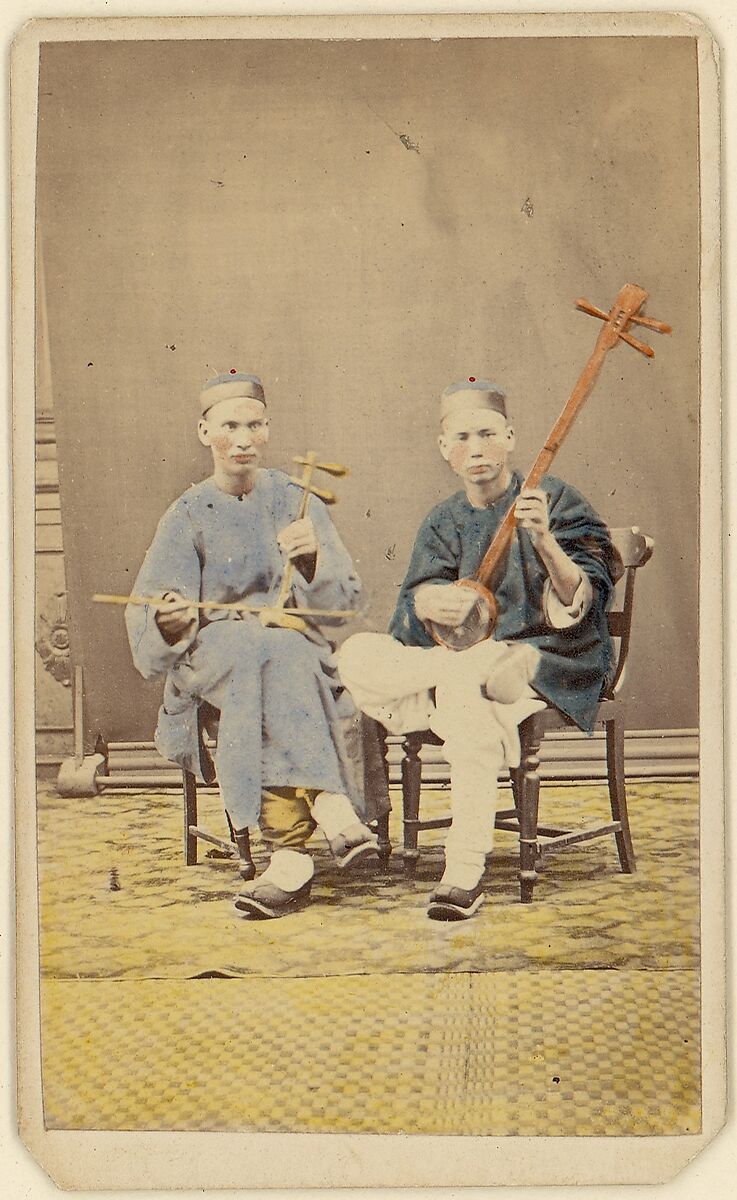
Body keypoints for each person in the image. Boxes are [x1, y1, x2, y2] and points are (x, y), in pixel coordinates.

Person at [337, 378, 622, 921]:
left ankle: (464, 870)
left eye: (488, 435)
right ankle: (477, 669)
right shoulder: (443, 519)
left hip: (550, 656)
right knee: (356, 654)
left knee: (466, 686)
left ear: (511, 437)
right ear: (444, 448)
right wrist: (427, 605)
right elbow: (409, 618)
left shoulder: (555, 499)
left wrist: (544, 541)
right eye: (462, 437)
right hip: (468, 660)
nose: (477, 449)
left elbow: (584, 600)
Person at [126, 371, 378, 920]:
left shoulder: (296, 499)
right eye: (230, 426)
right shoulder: (187, 514)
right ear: (204, 431)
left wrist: (312, 560)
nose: (243, 439)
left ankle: (289, 860)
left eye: (255, 426)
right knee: (267, 656)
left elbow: (344, 600)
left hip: (285, 651)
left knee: (274, 658)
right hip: (210, 651)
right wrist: (170, 620)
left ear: (267, 431)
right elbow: (151, 615)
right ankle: (330, 801)